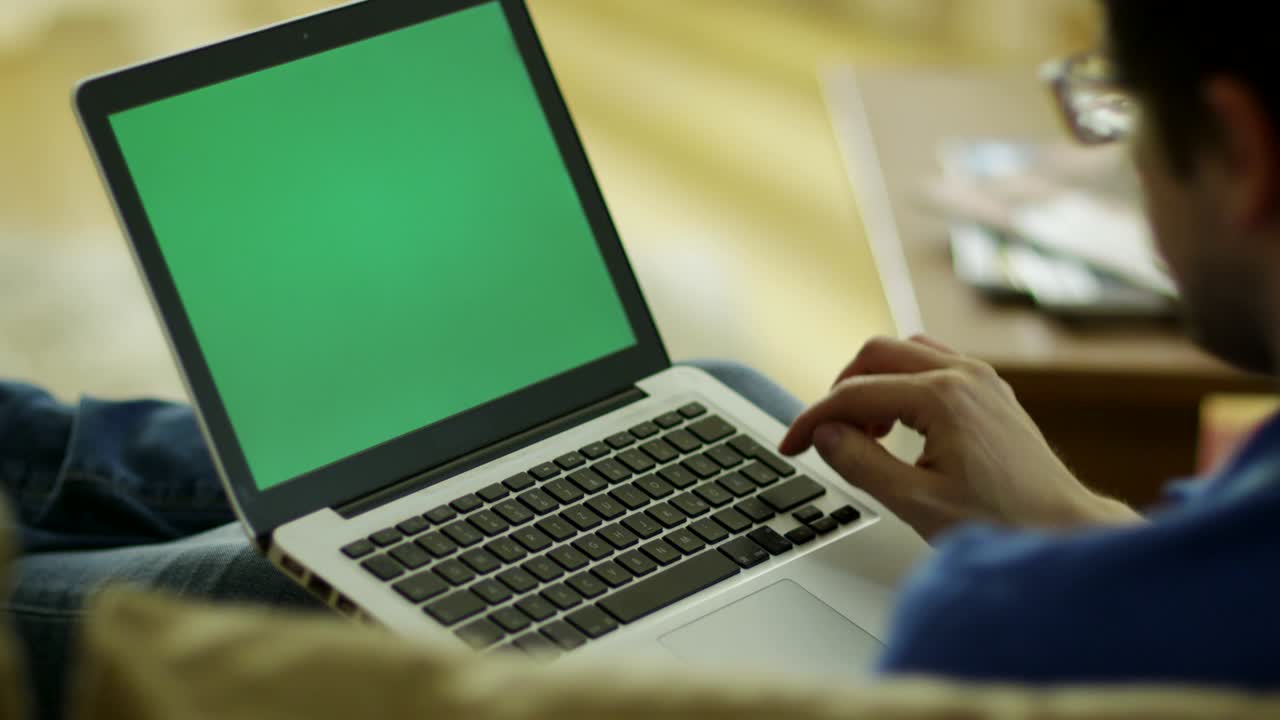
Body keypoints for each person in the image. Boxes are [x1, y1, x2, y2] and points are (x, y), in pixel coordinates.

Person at [4, 0, 1280, 714]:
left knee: (320, 567)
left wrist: (1059, 550)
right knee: (705, 397)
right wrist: (1072, 512)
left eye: (1116, 113)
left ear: (1241, 150)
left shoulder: (1003, 616)